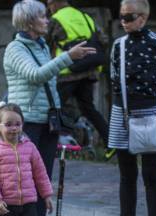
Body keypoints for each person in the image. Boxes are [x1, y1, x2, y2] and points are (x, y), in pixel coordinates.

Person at [4, 0, 95, 216]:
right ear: (30, 21)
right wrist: (68, 57)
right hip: (28, 121)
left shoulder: (42, 45)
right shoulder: (15, 49)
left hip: (47, 120)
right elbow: (36, 75)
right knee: (26, 180)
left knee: (42, 180)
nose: (48, 20)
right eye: (43, 17)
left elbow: (48, 78)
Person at [103, 0, 156, 216]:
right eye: (121, 16)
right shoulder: (118, 45)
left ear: (143, 18)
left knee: (152, 174)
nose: (123, 20)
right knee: (126, 175)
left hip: (150, 112)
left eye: (129, 16)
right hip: (122, 113)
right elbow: (113, 75)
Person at [45, 0, 114, 160]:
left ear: (55, 3)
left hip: (68, 72)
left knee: (53, 107)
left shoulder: (56, 19)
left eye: (49, 3)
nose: (48, 7)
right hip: (88, 71)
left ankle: (51, 145)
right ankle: (111, 143)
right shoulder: (84, 16)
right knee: (88, 108)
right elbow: (103, 39)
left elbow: (45, 43)